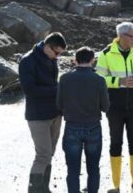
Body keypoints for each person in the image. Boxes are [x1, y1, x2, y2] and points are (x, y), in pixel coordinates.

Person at [96, 22, 133, 193]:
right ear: (122, 36)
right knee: (116, 142)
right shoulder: (106, 54)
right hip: (114, 105)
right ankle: (115, 185)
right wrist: (118, 82)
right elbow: (99, 79)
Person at [19, 32, 67, 193]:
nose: (58, 56)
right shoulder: (27, 61)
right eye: (57, 52)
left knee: (50, 152)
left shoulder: (51, 59)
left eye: (60, 53)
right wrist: (57, 90)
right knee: (43, 154)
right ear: (47, 47)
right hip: (38, 116)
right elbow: (30, 90)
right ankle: (33, 190)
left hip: (55, 114)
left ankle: (44, 189)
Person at [57, 47, 110, 193]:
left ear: (75, 59)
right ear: (93, 60)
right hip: (93, 126)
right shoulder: (99, 80)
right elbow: (106, 107)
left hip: (72, 126)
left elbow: (59, 105)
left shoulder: (65, 78)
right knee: (93, 168)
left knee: (73, 169)